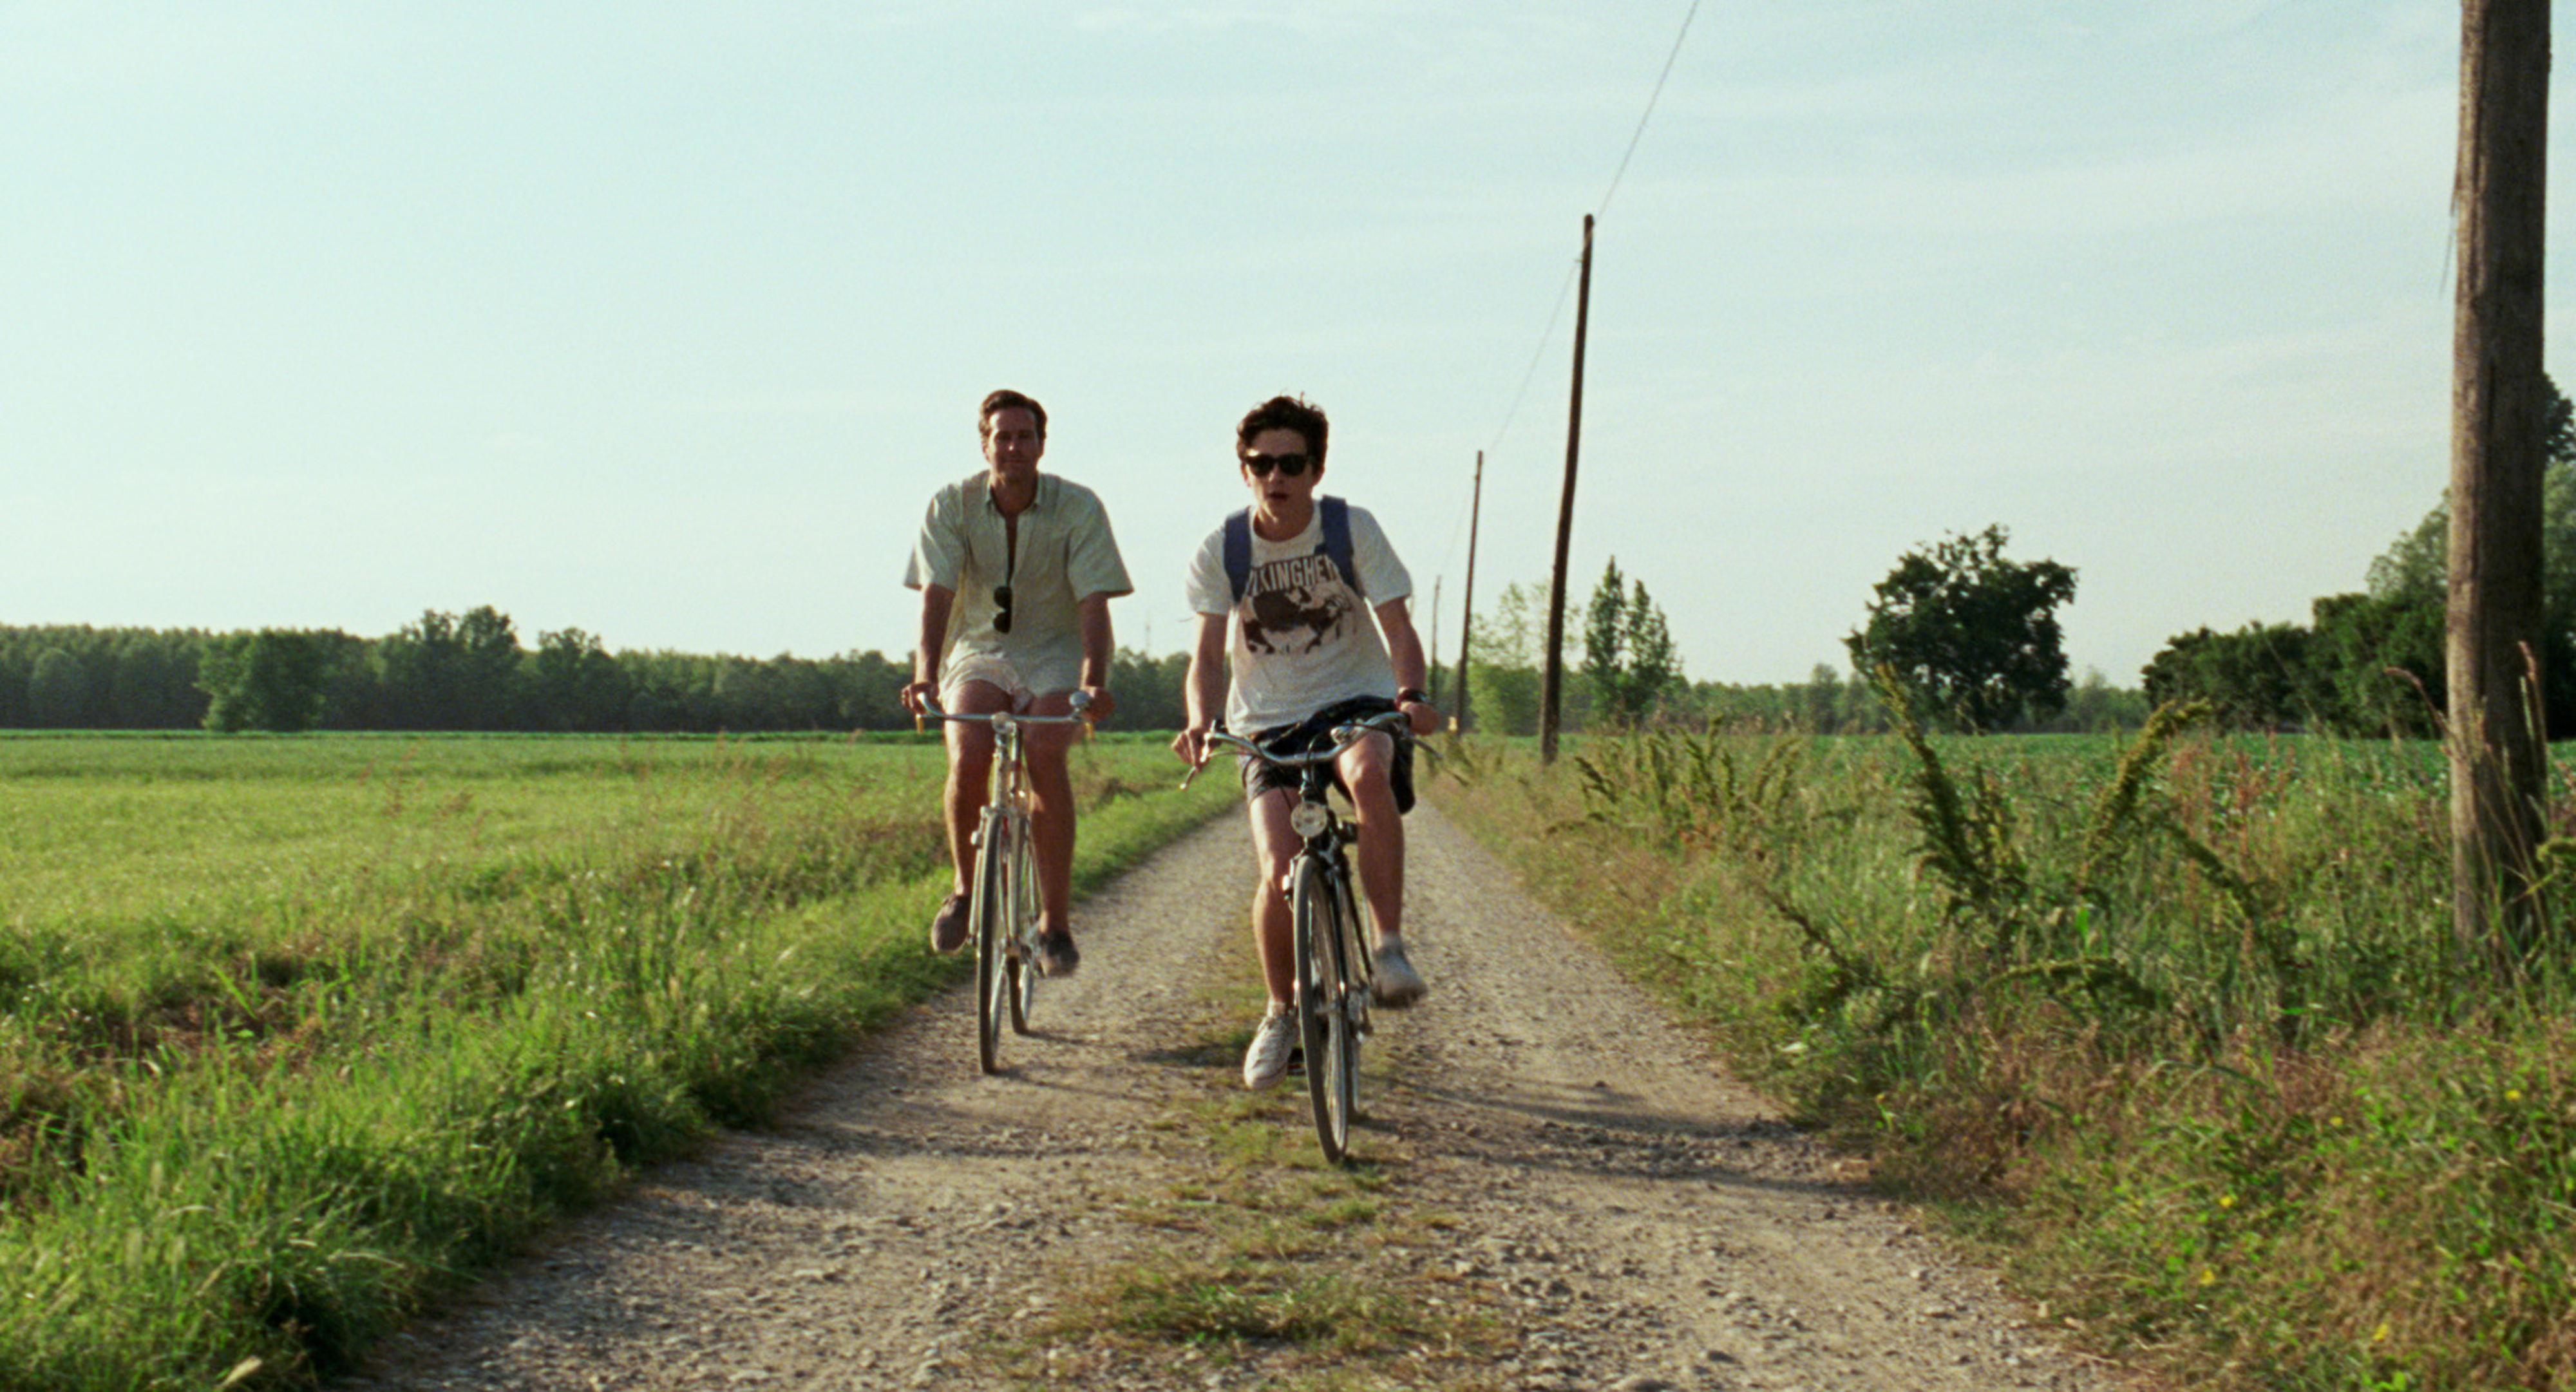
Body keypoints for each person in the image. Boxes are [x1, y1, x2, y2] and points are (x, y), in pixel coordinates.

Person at [1171, 393, 1441, 1091]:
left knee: (1368, 775)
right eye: (1260, 464)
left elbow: (1397, 626)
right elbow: (1203, 655)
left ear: (1316, 469)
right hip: (1266, 717)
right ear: (1244, 471)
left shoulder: (1350, 530)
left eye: (1291, 463)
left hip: (1355, 698)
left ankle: (1386, 949)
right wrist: (1200, 720)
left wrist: (1408, 697)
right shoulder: (1222, 549)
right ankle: (1281, 1011)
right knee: (1277, 868)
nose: (1275, 476)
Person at [902, 389, 1132, 979]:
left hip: (1055, 653)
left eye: (1024, 437)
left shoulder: (1078, 507)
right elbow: (938, 595)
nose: (1013, 448)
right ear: (985, 444)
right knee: (970, 748)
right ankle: (963, 888)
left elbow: (1093, 602)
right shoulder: (951, 505)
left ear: (1041, 445)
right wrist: (925, 672)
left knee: (1044, 749)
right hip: (979, 648)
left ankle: (1054, 925)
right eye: (1002, 437)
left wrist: (1093, 682)